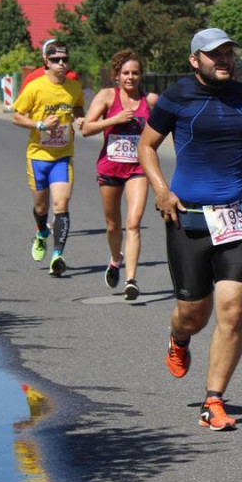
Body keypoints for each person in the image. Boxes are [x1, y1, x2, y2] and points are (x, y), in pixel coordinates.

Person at [137, 27, 242, 432]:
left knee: (232, 310)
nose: (224, 60)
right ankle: (178, 337)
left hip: (236, 217)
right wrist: (161, 191)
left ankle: (213, 401)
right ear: (196, 60)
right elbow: (147, 146)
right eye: (214, 54)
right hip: (188, 217)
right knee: (194, 315)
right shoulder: (178, 96)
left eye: (228, 53)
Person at [81, 49, 158, 301]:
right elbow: (87, 129)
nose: (130, 77)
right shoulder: (106, 96)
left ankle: (131, 280)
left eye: (135, 73)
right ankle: (116, 259)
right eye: (125, 73)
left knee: (133, 222)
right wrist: (114, 119)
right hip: (110, 168)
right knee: (113, 224)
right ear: (117, 75)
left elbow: (169, 123)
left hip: (138, 169)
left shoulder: (151, 101)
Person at [11, 40, 85, 277]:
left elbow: (79, 108)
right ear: (46, 62)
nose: (61, 64)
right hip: (38, 156)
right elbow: (16, 116)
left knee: (61, 205)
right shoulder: (35, 87)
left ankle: (57, 256)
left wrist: (79, 120)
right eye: (55, 60)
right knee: (41, 207)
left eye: (64, 59)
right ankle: (41, 232)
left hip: (62, 156)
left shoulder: (74, 87)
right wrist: (40, 124)